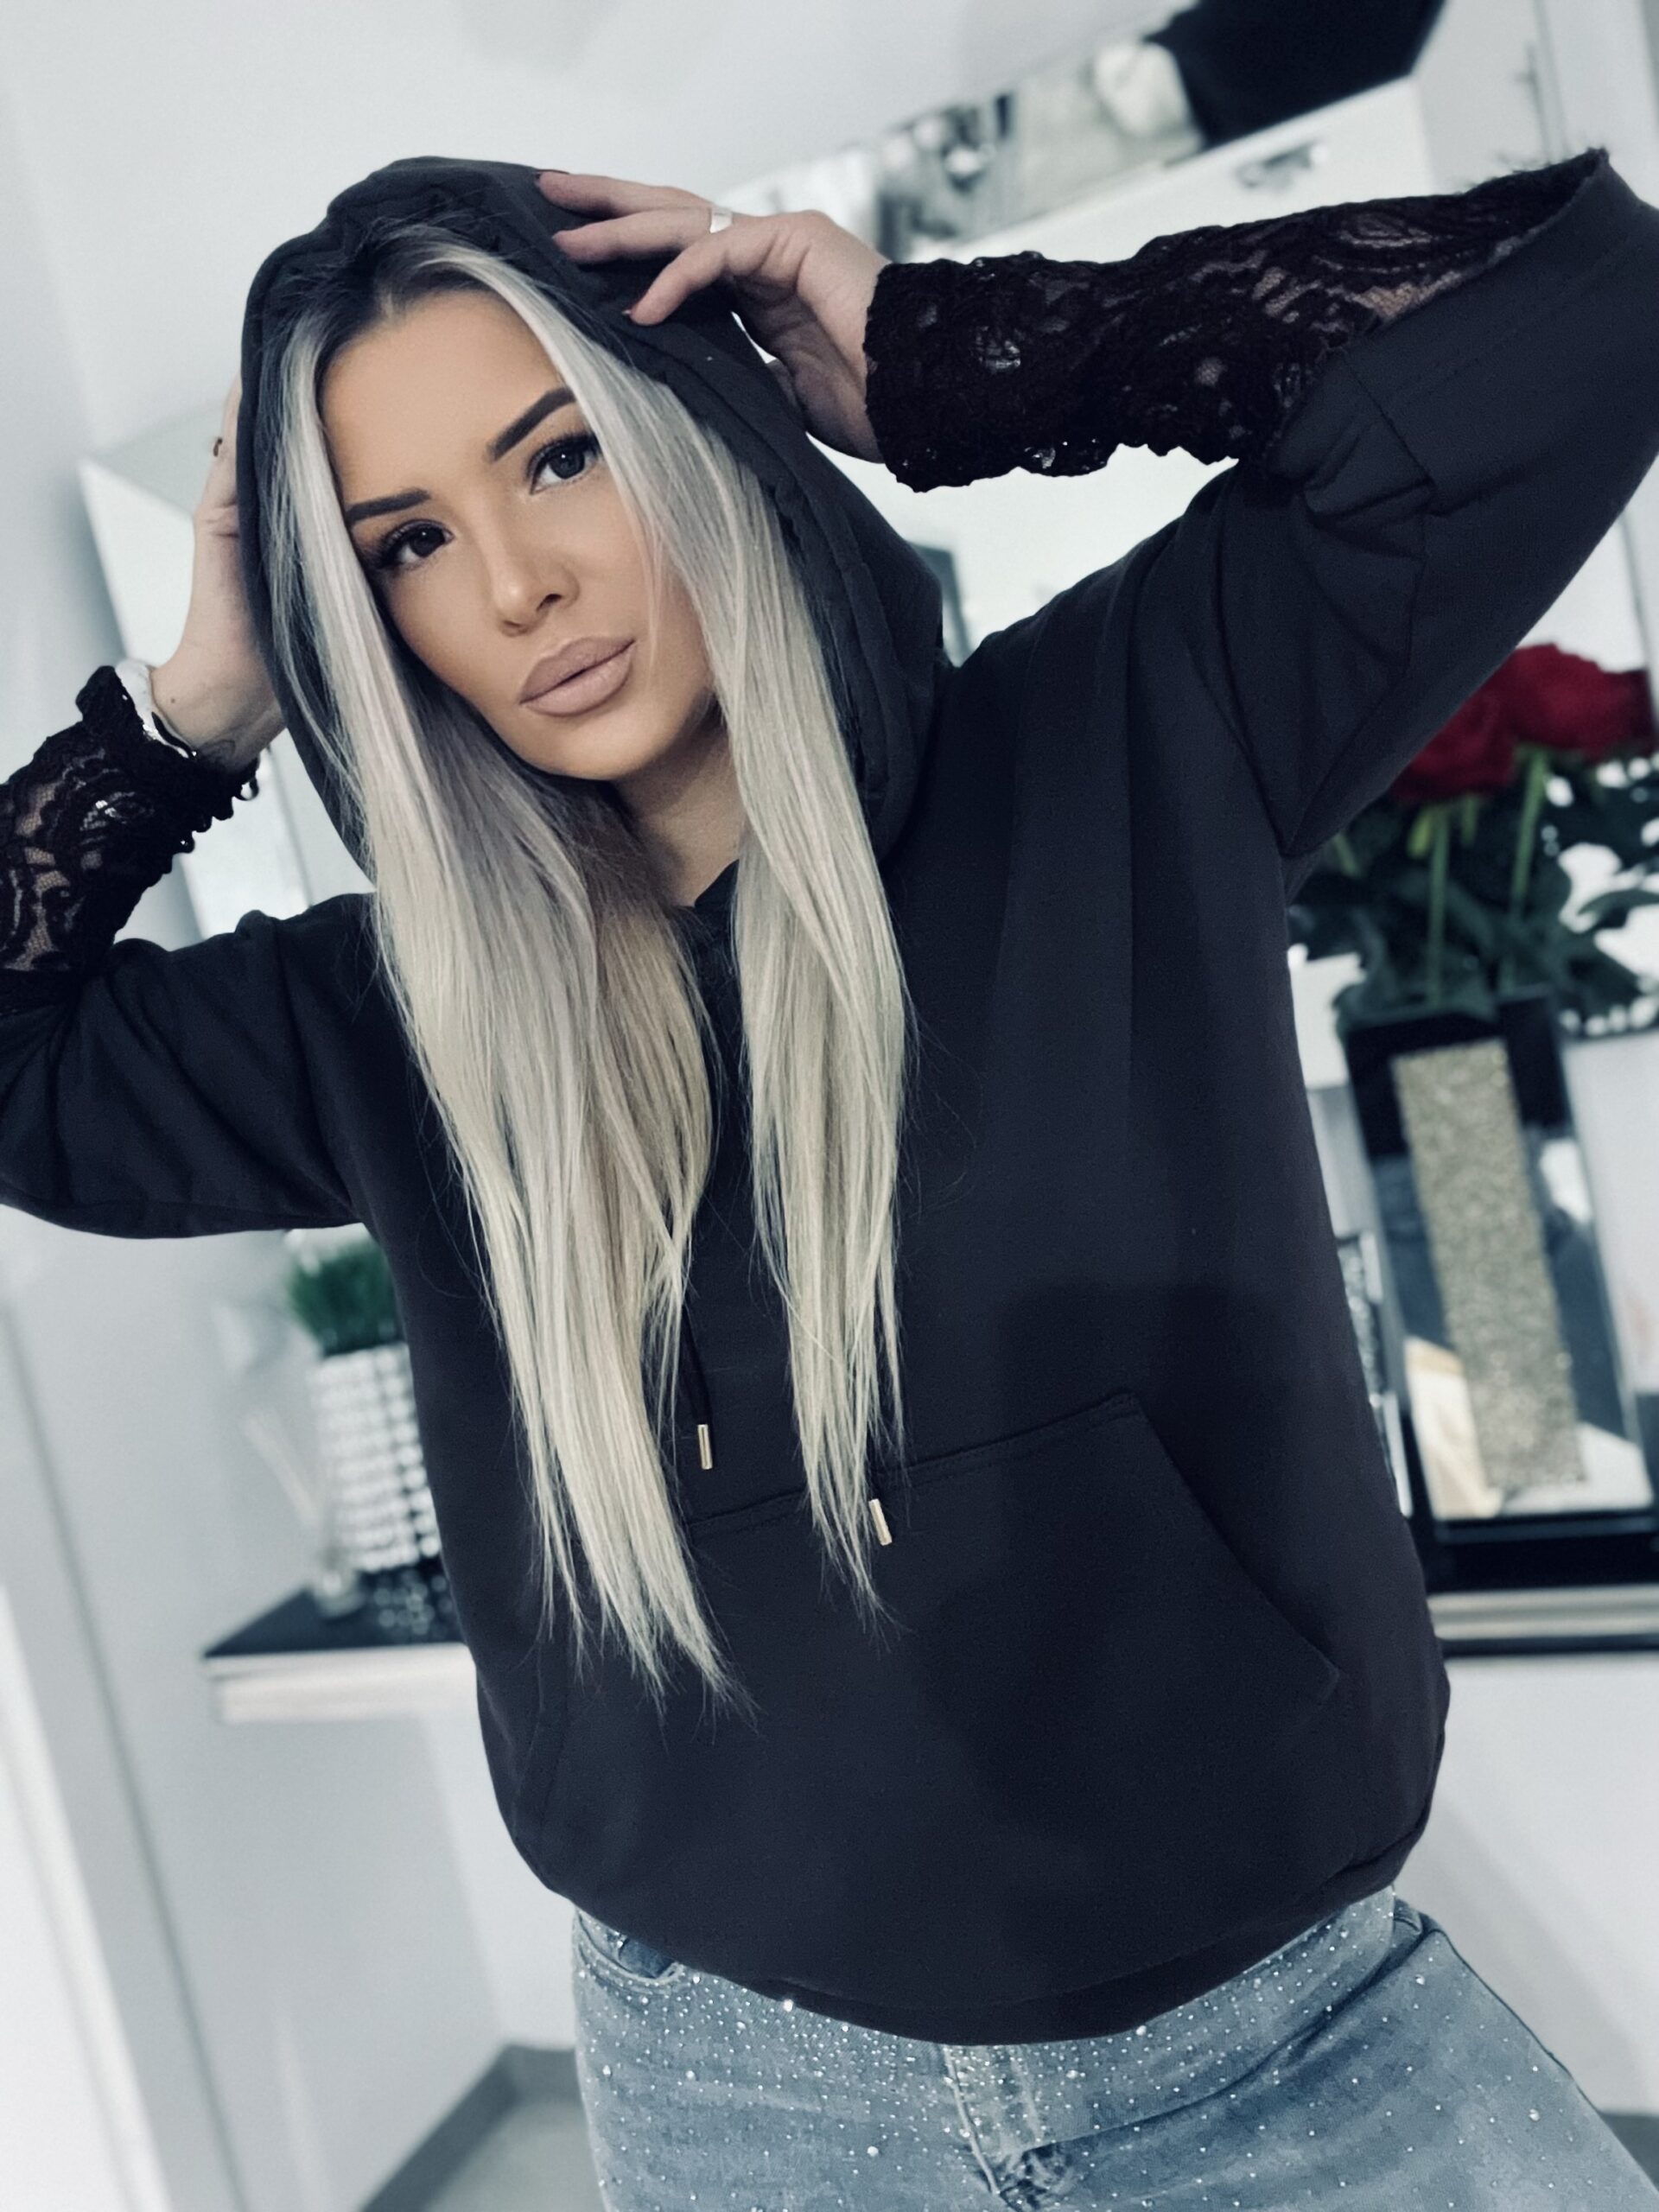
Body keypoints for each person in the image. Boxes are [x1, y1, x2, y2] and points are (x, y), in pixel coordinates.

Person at [3, 145, 1658, 2208]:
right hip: (739, 2109)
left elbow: (1591, 307)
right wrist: (195, 706)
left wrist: (963, 358)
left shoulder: (1128, 731)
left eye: (560, 457)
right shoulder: (391, 1023)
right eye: (405, 543)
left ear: (693, 421)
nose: (514, 587)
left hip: (1286, 2061)